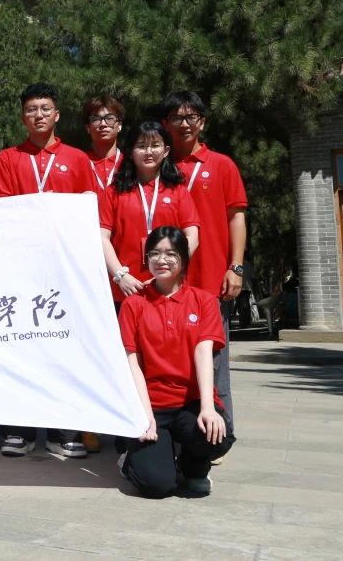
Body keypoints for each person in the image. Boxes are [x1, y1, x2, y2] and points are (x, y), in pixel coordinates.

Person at [0, 83, 98, 459]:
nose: (38, 115)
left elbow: (89, 210)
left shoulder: (77, 159)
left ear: (57, 115)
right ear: (23, 117)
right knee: (18, 347)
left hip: (62, 270)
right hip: (20, 268)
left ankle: (60, 430)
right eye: (31, 109)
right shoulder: (8, 158)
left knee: (61, 348)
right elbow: (2, 210)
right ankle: (16, 430)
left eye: (45, 109)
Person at [119, 226, 234, 498]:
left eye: (171, 253)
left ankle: (193, 467)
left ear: (184, 258)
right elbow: (131, 362)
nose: (162, 260)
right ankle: (129, 460)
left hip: (189, 404)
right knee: (157, 485)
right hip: (152, 404)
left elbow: (204, 353)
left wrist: (208, 408)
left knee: (218, 434)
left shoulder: (204, 301)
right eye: (154, 253)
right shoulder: (133, 304)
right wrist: (146, 416)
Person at [161, 90, 247, 431]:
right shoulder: (160, 166)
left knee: (215, 360)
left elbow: (236, 218)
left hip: (211, 280)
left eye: (190, 117)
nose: (184, 124)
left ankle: (222, 431)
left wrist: (235, 267)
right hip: (169, 282)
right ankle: (179, 430)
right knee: (170, 360)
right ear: (166, 123)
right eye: (176, 118)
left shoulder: (222, 165)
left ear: (202, 122)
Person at [101, 122, 200, 304]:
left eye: (155, 145)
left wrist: (170, 271)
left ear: (166, 150)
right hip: (126, 289)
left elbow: (192, 236)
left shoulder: (178, 191)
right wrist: (120, 275)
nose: (148, 152)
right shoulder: (113, 192)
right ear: (130, 152)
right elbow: (102, 238)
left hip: (169, 288)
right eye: (141, 146)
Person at [83, 95, 125, 191]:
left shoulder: (130, 163)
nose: (103, 124)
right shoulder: (80, 163)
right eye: (96, 119)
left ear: (119, 125)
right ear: (88, 128)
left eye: (110, 118)